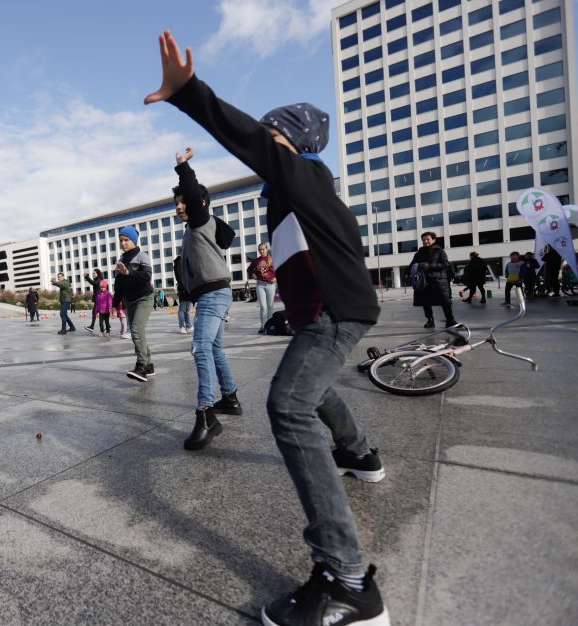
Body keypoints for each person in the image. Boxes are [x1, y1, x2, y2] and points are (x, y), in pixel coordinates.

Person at [145, 30, 388, 626]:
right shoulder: (293, 194)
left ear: (294, 144)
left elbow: (256, 142)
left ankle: (348, 581)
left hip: (333, 315)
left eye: (276, 139)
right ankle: (362, 454)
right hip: (323, 315)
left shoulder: (304, 176)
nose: (266, 152)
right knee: (312, 387)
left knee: (288, 405)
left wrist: (191, 94)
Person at [172, 147, 242, 450]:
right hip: (214, 292)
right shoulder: (193, 229)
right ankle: (230, 397)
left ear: (198, 203)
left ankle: (205, 415)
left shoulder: (201, 220)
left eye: (182, 202)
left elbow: (192, 191)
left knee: (200, 347)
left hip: (215, 293)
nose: (178, 207)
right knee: (214, 348)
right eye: (175, 203)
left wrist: (183, 167)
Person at [114, 225, 154, 381]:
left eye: (126, 240)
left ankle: (141, 366)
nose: (123, 243)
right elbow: (118, 286)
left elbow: (146, 276)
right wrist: (114, 304)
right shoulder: (121, 260)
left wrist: (128, 272)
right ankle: (149, 365)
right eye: (121, 240)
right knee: (139, 332)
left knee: (136, 330)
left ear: (134, 240)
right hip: (129, 301)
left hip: (144, 297)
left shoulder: (142, 256)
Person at [410, 232, 457, 328]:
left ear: (433, 240)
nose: (425, 241)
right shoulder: (419, 253)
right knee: (425, 302)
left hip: (438, 280)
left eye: (427, 239)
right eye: (423, 240)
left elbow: (445, 264)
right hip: (424, 281)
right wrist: (407, 274)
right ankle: (430, 320)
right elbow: (412, 265)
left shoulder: (440, 251)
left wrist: (429, 266)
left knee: (445, 301)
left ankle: (450, 320)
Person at [248, 242, 277, 334]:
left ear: (267, 249)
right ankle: (263, 326)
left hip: (270, 285)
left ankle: (270, 325)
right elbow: (249, 269)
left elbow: (279, 270)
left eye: (263, 249)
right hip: (260, 284)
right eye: (260, 249)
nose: (261, 251)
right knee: (263, 307)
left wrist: (276, 278)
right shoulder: (256, 261)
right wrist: (252, 274)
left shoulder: (272, 259)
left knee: (270, 306)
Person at [173, 256, 193, 334]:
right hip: (184, 289)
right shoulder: (180, 264)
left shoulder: (183, 263)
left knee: (186, 310)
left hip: (188, 289)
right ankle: (182, 326)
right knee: (183, 309)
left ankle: (187, 326)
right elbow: (180, 278)